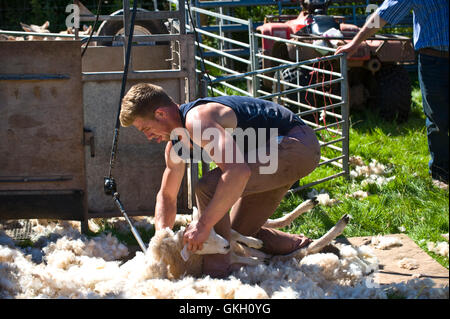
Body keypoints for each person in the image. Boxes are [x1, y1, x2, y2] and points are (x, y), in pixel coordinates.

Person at [120, 83, 321, 277]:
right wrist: (161, 243)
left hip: (295, 144)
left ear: (160, 114)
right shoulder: (175, 146)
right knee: (234, 232)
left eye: (145, 129)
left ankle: (216, 275)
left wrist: (202, 226)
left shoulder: (197, 119)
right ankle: (308, 247)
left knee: (208, 188)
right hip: (274, 157)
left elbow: (237, 172)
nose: (148, 137)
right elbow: (167, 196)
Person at [335, 0, 449, 190]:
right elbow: (383, 14)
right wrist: (355, 43)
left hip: (434, 59)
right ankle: (441, 173)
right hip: (433, 60)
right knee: (438, 118)